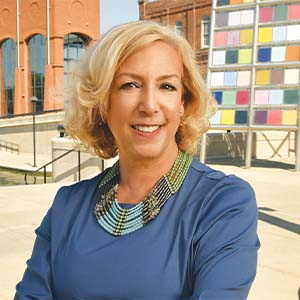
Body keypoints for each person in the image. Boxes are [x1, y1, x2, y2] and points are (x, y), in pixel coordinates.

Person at [15, 21, 260, 299]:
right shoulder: (67, 206)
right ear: (102, 102)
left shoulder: (222, 204)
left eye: (167, 86)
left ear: (183, 103)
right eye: (130, 85)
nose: (149, 105)